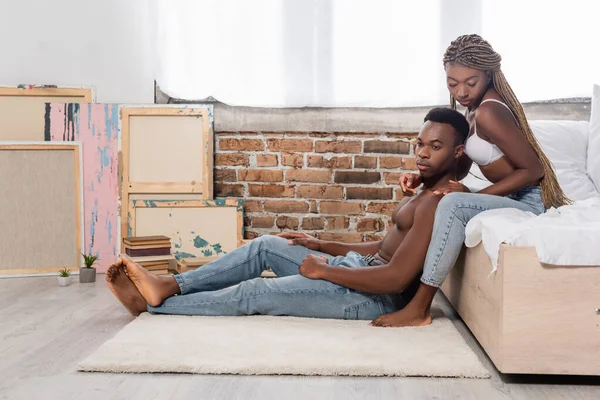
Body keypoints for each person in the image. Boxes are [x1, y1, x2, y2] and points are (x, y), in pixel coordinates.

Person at [106, 107, 469, 325]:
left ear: (458, 152)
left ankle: (157, 308)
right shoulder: (424, 188)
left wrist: (324, 269)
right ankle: (171, 285)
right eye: (420, 144)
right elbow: (388, 247)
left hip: (371, 297)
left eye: (435, 147)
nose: (423, 153)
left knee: (258, 292)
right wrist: (321, 244)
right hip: (360, 268)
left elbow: (395, 277)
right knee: (264, 246)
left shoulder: (440, 201)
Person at [378, 34, 571, 328]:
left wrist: (477, 194)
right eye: (452, 83)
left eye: (470, 81)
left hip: (529, 200)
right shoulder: (472, 110)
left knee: (453, 205)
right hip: (513, 195)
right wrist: (421, 177)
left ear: (488, 74)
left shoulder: (489, 111)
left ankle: (420, 307)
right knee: (447, 196)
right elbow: (461, 165)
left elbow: (533, 171)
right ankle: (401, 278)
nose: (462, 91)